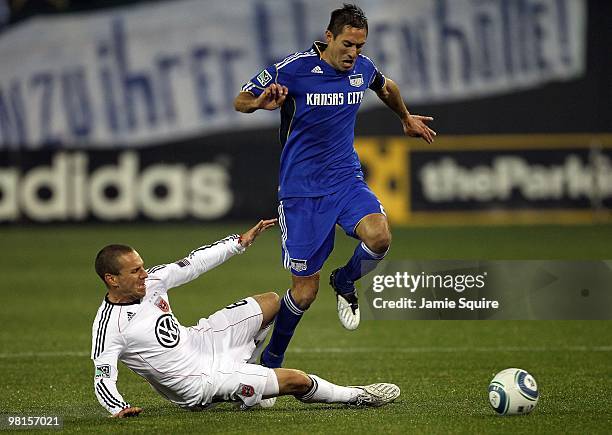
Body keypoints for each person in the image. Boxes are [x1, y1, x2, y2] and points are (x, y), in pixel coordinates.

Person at [235, 4, 436, 370]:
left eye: (360, 45)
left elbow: (386, 86)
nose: (353, 53)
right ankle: (270, 362)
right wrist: (259, 104)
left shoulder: (363, 68)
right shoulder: (292, 69)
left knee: (379, 237)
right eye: (347, 44)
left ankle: (344, 280)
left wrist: (405, 117)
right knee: (304, 292)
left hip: (346, 179)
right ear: (329, 37)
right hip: (301, 192)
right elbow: (241, 99)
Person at [91, 219, 400, 417]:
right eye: (135, 271)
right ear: (112, 280)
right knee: (297, 380)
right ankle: (358, 395)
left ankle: (255, 374)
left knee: (270, 303)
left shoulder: (153, 281)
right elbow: (103, 377)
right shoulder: (110, 327)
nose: (145, 274)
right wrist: (118, 407)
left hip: (202, 339)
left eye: (143, 266)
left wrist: (237, 243)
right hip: (200, 382)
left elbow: (194, 263)